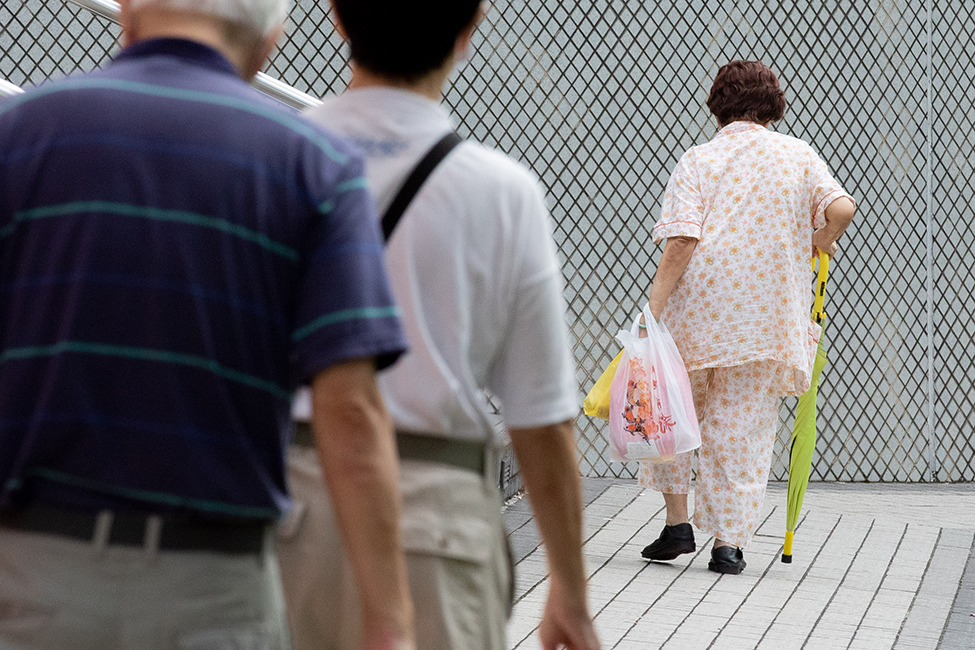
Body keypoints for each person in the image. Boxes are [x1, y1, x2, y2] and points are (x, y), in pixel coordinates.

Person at [0, 1, 416, 648]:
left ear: (130, 13)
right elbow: (351, 414)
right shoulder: (315, 167)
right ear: (271, 40)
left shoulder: (21, 133)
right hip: (214, 593)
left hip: (30, 578)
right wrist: (389, 621)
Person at [278, 2, 601, 649]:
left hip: (285, 512)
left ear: (337, 18)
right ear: (470, 27)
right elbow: (540, 418)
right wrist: (568, 584)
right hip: (438, 525)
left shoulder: (270, 160)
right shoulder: (503, 192)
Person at [637, 60, 855, 575]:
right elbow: (842, 208)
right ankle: (729, 544)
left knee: (674, 415)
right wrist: (818, 243)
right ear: (772, 104)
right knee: (743, 430)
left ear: (719, 104)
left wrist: (653, 307)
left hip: (699, 318)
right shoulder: (798, 155)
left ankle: (677, 524)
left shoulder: (700, 159)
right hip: (766, 321)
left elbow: (683, 239)